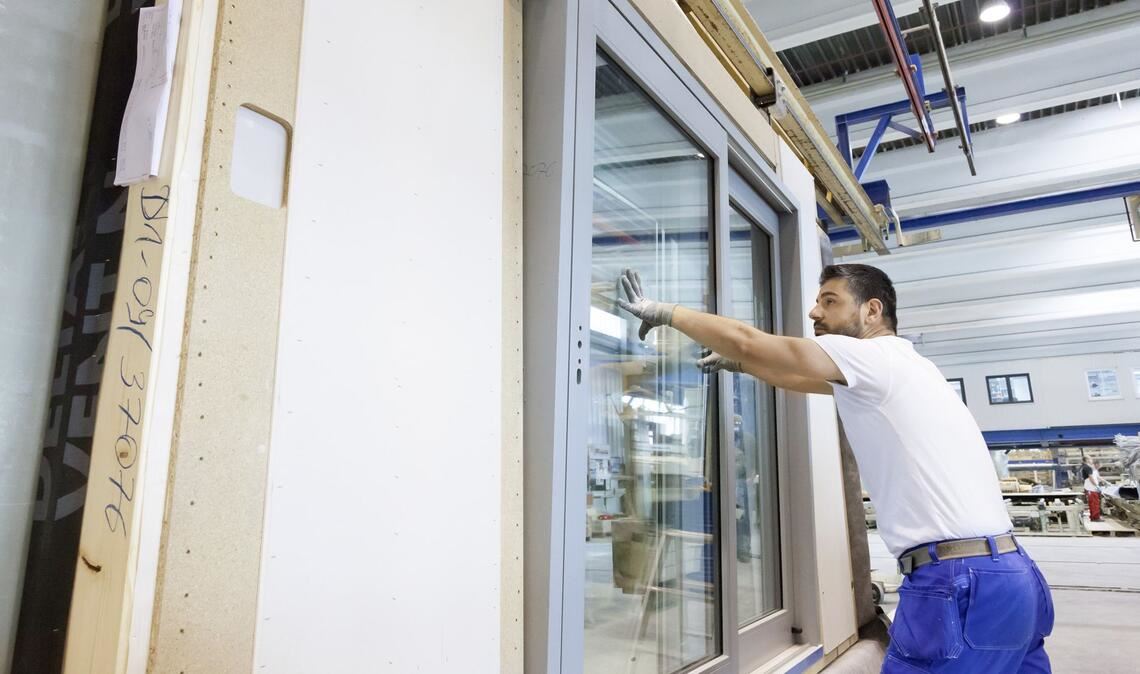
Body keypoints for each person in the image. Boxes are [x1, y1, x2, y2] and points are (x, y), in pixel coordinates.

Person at [617, 264, 1054, 673]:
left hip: (959, 581)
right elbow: (795, 376)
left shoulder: (872, 356)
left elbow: (755, 342)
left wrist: (667, 312)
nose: (814, 311)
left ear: (872, 310)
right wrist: (741, 364)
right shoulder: (910, 366)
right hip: (1014, 576)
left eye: (829, 301)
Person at [1080, 456, 1107, 522]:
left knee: (1093, 503)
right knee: (1094, 503)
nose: (1091, 460)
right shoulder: (1087, 467)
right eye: (1090, 459)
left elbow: (1096, 477)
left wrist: (1105, 482)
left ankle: (1093, 517)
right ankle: (1095, 518)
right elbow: (1091, 478)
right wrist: (1096, 485)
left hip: (1091, 488)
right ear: (1087, 460)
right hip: (1091, 488)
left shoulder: (1087, 467)